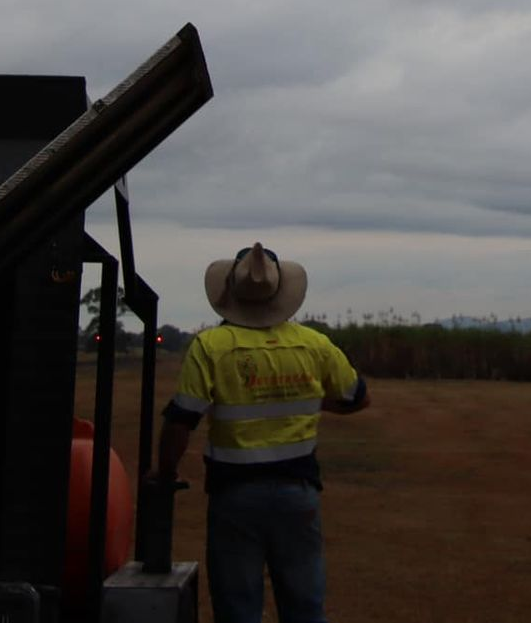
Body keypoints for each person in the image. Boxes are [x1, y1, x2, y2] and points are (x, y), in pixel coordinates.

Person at [157, 243, 371, 623]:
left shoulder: (211, 346)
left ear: (228, 291)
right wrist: (313, 401)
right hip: (298, 495)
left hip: (234, 496)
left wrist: (165, 471)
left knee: (238, 608)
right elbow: (356, 396)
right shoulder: (313, 343)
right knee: (305, 607)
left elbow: (182, 420)